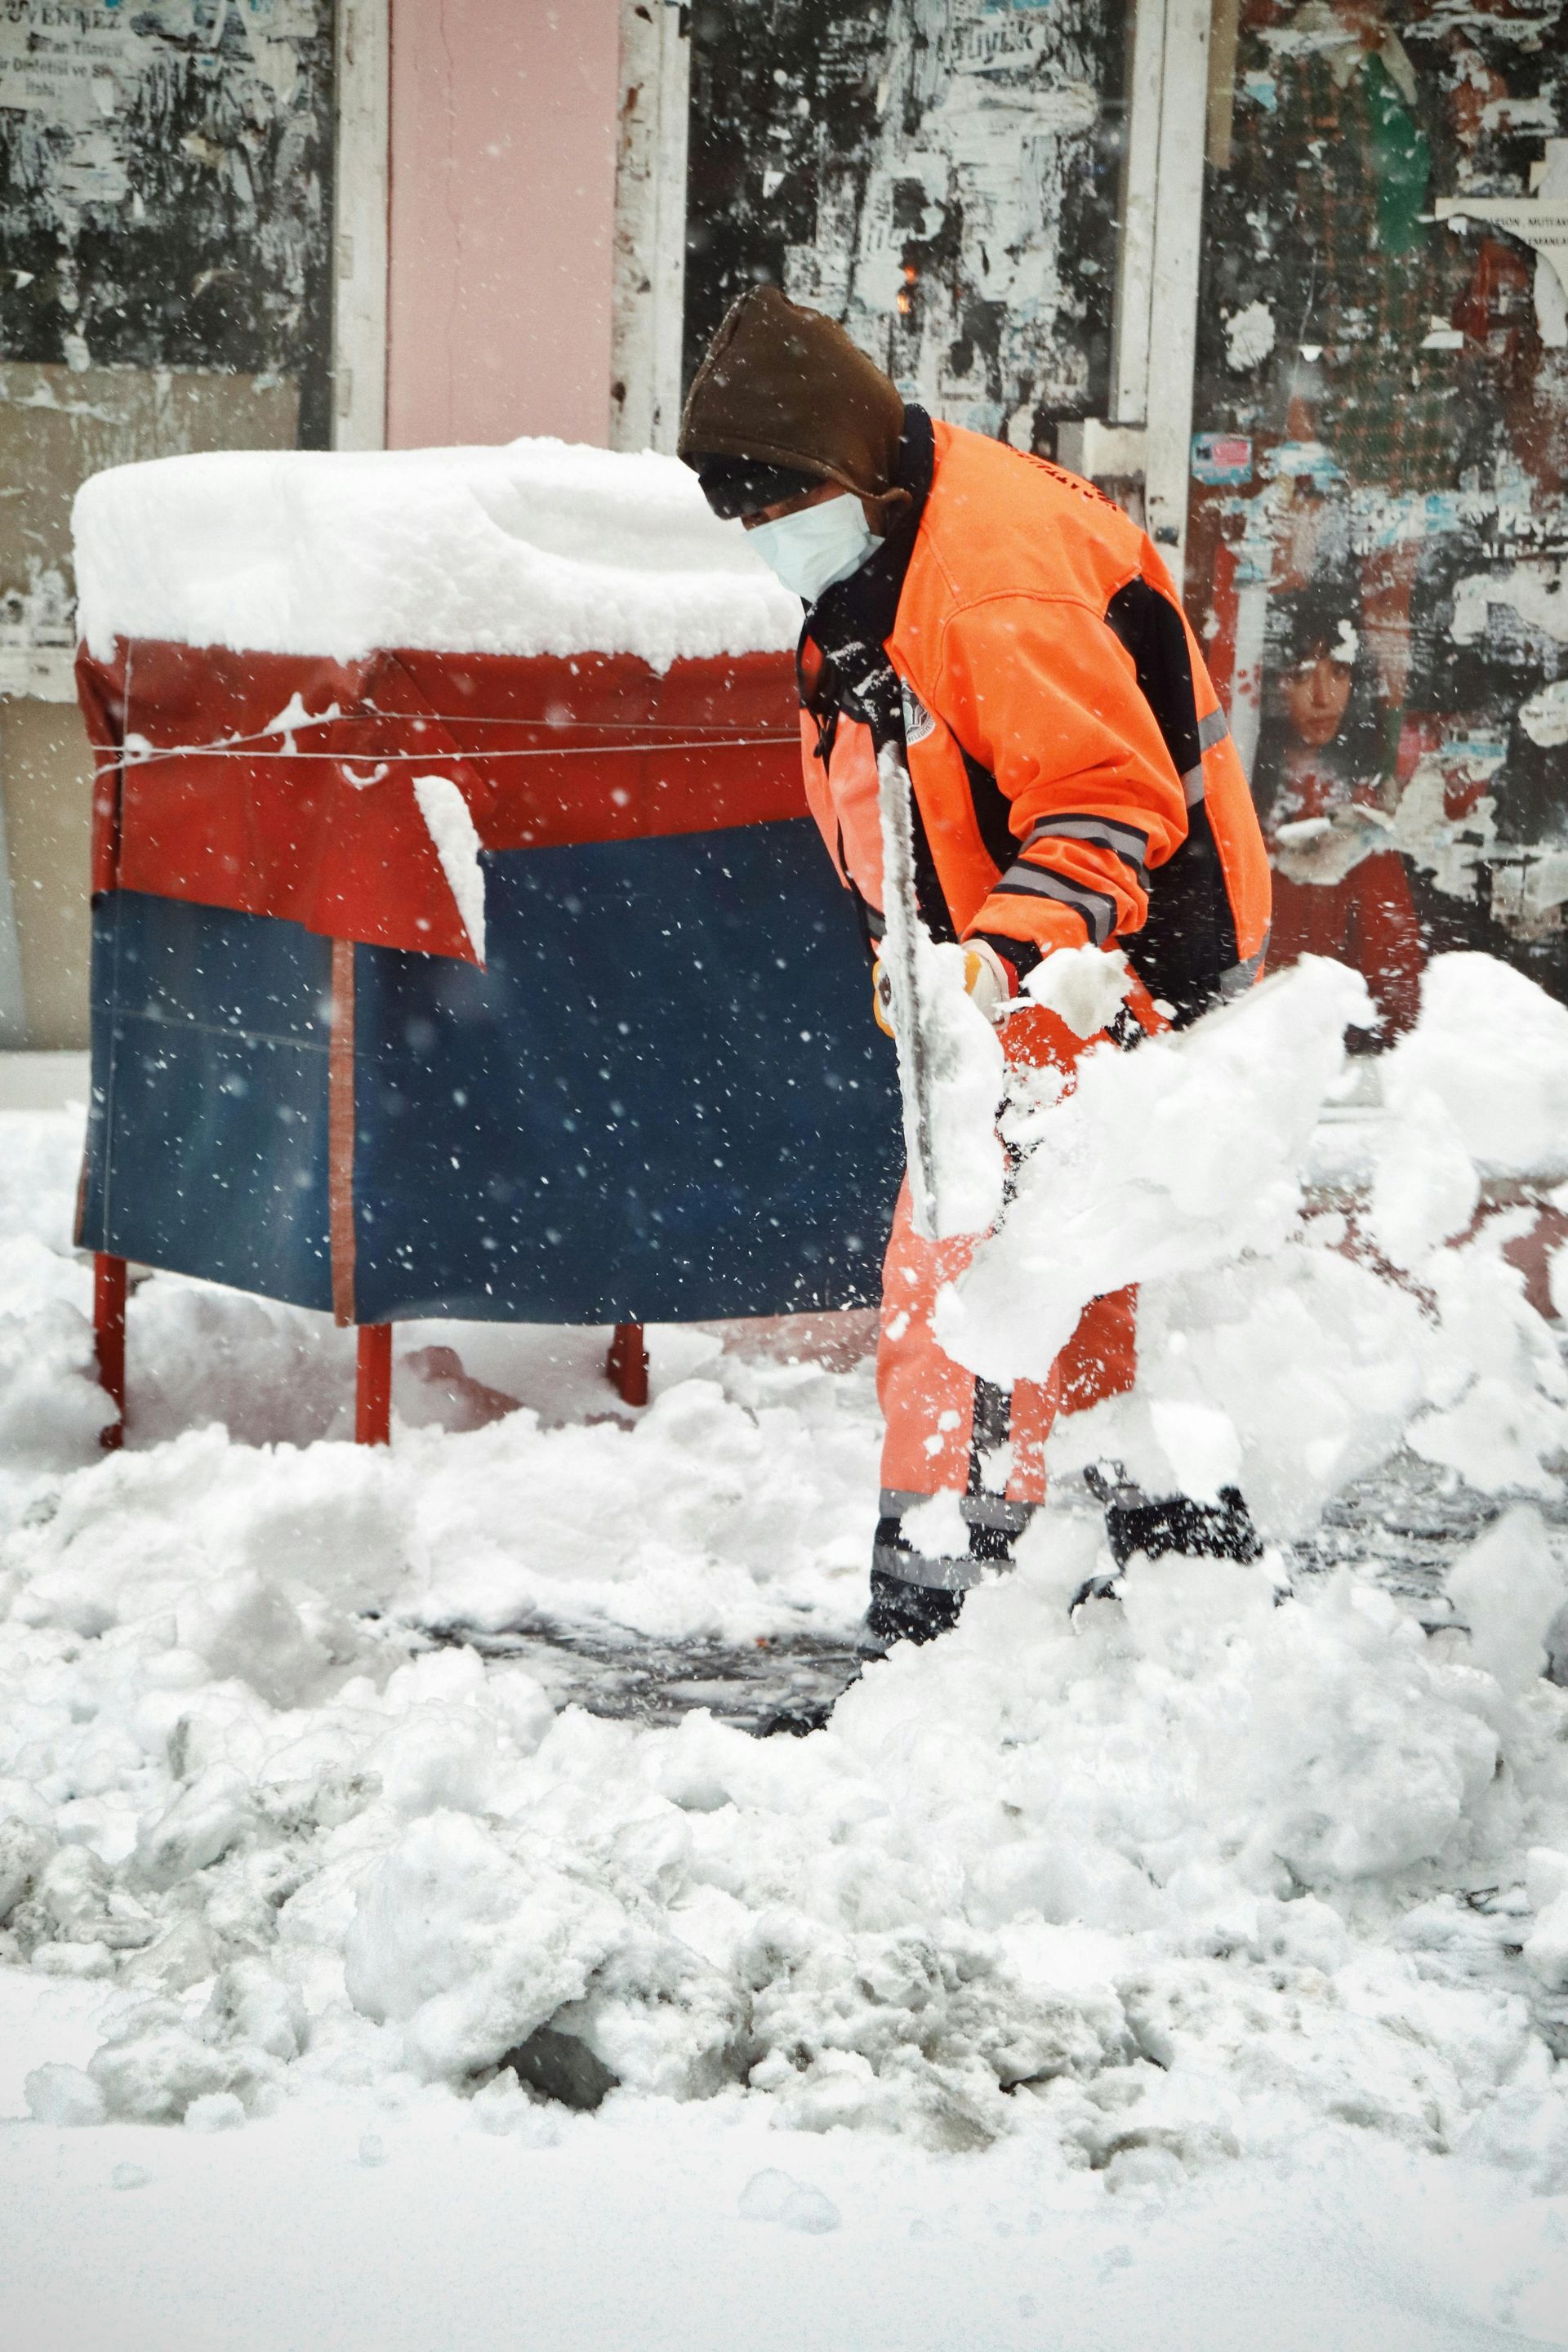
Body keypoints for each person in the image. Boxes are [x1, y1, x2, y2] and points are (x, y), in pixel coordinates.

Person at [678, 287, 1272, 1655]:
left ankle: (947, 1610)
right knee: (1075, 1263)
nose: (772, 542)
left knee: (958, 1276)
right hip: (1028, 954)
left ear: (849, 467)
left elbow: (1108, 809)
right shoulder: (889, 535)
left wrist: (993, 969)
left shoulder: (990, 581)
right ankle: (1148, 1572)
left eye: (784, 509)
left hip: (1089, 955)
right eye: (750, 521)